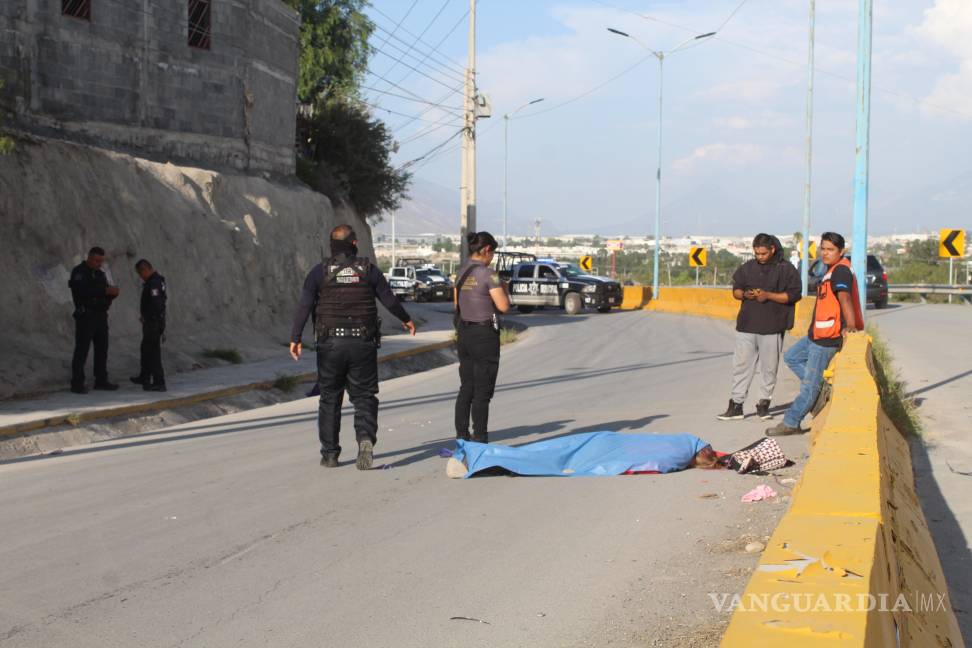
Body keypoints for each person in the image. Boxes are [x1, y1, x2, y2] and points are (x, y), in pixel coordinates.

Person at [290, 225, 416, 469]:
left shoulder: (319, 272)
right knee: (364, 396)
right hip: (362, 342)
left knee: (329, 398)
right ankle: (365, 439)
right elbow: (389, 299)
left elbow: (304, 306)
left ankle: (329, 454)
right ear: (355, 244)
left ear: (331, 245)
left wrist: (295, 338)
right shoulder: (368, 271)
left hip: (330, 345)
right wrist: (406, 319)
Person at [767, 232, 863, 436]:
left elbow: (845, 298)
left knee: (809, 384)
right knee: (792, 357)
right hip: (816, 335)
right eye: (823, 248)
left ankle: (791, 422)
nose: (825, 253)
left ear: (841, 252)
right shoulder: (831, 270)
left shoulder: (841, 272)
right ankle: (819, 389)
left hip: (828, 337)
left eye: (831, 250)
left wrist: (851, 325)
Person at [717, 234, 801, 421]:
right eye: (757, 254)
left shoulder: (786, 269)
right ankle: (736, 405)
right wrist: (746, 294)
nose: (760, 257)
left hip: (773, 327)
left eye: (763, 253)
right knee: (741, 367)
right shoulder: (747, 268)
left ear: (772, 249)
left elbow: (793, 295)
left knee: (769, 369)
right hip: (747, 326)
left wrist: (768, 295)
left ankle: (764, 404)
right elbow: (736, 291)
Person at [454, 231, 510, 444]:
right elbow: (503, 306)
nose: (492, 257)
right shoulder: (489, 274)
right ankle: (480, 438)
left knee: (466, 386)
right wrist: (504, 288)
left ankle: (461, 435)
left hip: (464, 334)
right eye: (492, 253)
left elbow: (456, 305)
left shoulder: (461, 272)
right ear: (487, 250)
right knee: (482, 390)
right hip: (484, 335)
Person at [69, 247, 120, 393]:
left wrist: (112, 294)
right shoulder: (79, 272)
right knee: (82, 350)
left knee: (102, 349)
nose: (99, 264)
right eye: (97, 261)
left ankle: (101, 380)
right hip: (86, 315)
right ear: (89, 258)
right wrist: (104, 291)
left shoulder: (100, 273)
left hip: (100, 315)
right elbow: (82, 292)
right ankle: (77, 383)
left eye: (101, 261)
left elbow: (106, 291)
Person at [130, 259, 167, 392]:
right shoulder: (156, 281)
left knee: (152, 352)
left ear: (145, 270)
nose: (141, 276)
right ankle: (144, 376)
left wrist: (148, 317)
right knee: (146, 349)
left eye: (141, 273)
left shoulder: (154, 283)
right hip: (152, 322)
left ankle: (159, 382)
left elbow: (157, 304)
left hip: (153, 323)